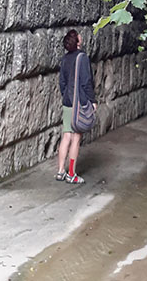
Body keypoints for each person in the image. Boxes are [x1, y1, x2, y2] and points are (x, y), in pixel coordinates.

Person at [57, 28, 96, 184]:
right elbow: (86, 82)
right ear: (78, 41)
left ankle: (60, 171)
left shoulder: (65, 59)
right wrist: (92, 100)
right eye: (79, 35)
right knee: (76, 138)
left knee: (66, 135)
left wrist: (66, 95)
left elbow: (62, 82)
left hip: (67, 101)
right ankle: (71, 173)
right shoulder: (83, 58)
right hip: (79, 102)